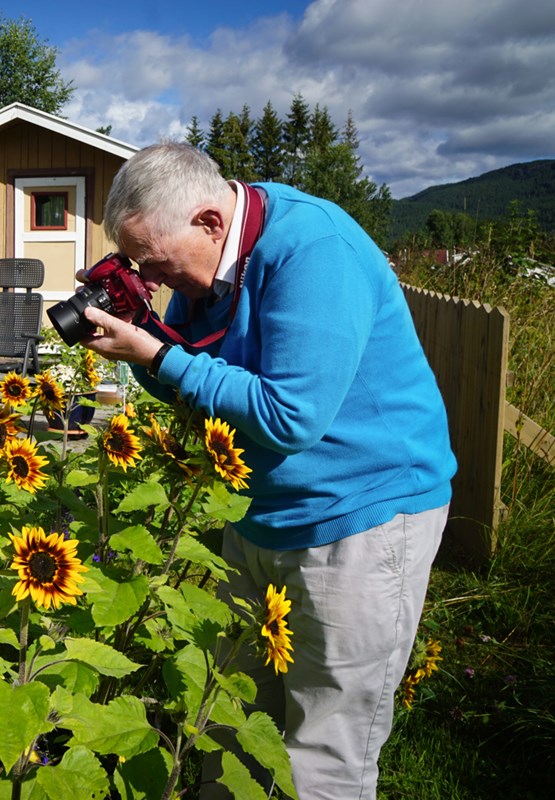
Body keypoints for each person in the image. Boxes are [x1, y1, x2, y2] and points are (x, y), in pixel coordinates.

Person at [79, 142, 456, 799]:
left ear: (208, 222)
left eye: (156, 264)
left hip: (361, 514)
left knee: (322, 752)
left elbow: (290, 416)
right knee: (229, 717)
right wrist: (138, 341)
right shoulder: (203, 271)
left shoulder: (314, 251)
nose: (155, 280)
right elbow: (195, 388)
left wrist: (159, 357)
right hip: (258, 515)